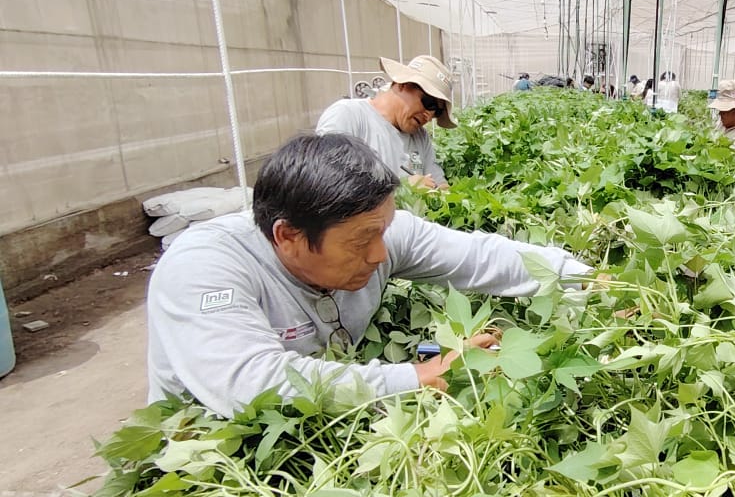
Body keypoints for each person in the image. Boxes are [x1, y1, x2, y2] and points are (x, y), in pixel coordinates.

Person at [146, 133, 594, 418]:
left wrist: (586, 278)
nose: (380, 254)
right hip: (206, 458)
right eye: (362, 240)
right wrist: (415, 376)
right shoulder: (204, 267)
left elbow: (479, 256)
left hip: (326, 417)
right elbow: (249, 384)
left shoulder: (375, 230)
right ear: (288, 236)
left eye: (383, 230)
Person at [316, 54, 455, 190]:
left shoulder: (420, 137)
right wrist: (403, 187)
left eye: (437, 112)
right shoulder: (348, 115)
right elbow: (327, 182)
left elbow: (439, 184)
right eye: (429, 103)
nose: (429, 116)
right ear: (403, 84)